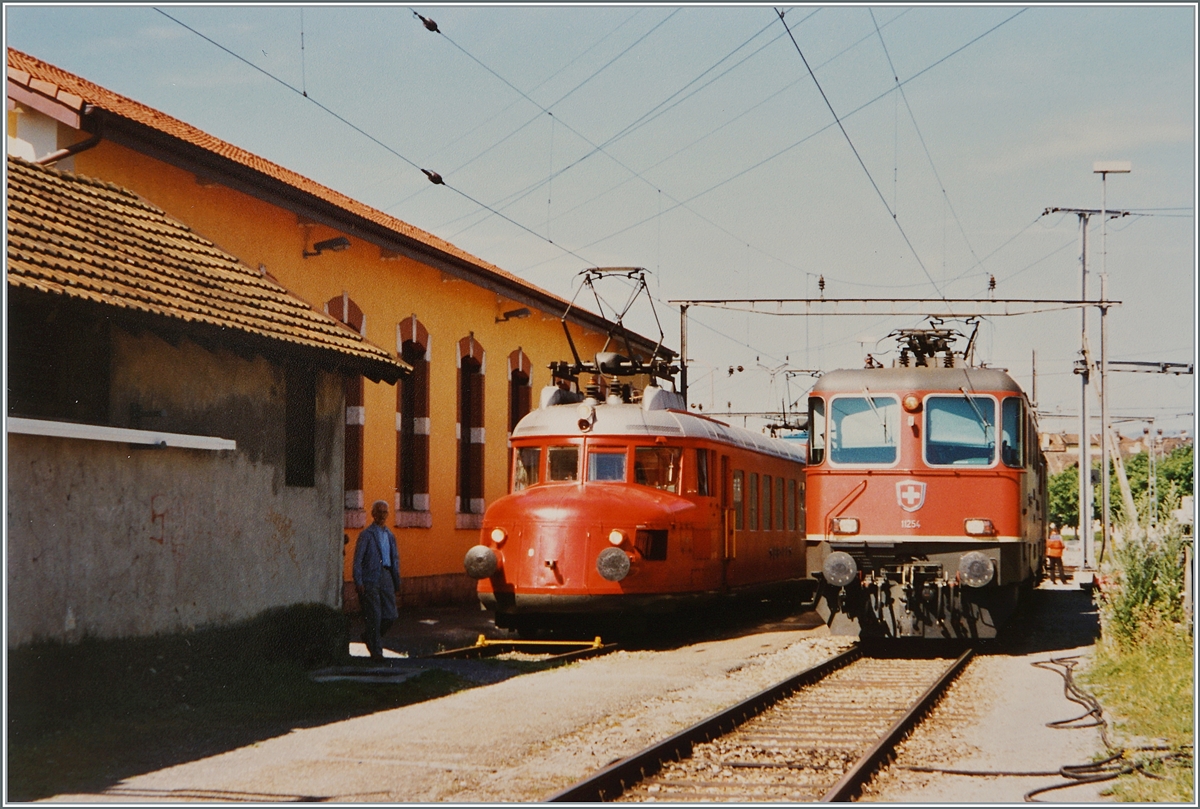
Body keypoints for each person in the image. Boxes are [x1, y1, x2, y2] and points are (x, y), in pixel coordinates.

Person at [353, 500, 401, 661]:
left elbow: (395, 559)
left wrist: (396, 581)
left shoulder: (390, 535)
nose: (382, 515)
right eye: (379, 512)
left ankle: (369, 636)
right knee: (374, 616)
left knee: (391, 615)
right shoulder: (366, 535)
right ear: (373, 514)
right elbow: (358, 560)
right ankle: (377, 653)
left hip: (387, 576)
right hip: (370, 578)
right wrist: (358, 581)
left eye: (384, 512)